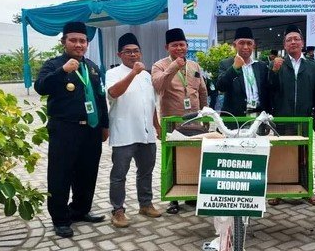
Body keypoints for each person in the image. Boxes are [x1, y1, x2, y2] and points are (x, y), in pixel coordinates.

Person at [34, 21, 108, 238]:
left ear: (87, 43)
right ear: (63, 42)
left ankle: (81, 209)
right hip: (64, 130)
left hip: (91, 130)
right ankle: (60, 218)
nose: (78, 44)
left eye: (82, 41)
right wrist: (62, 71)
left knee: (88, 171)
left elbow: (100, 97)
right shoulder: (53, 64)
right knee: (60, 174)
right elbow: (41, 87)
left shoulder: (92, 67)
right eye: (73, 40)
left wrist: (105, 125)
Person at [105, 33, 162, 228]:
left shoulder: (146, 75)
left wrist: (157, 126)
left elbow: (152, 104)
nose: (133, 55)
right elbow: (113, 93)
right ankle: (118, 211)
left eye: (136, 51)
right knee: (119, 174)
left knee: (146, 171)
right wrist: (133, 74)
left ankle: (145, 204)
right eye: (128, 52)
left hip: (146, 134)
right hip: (124, 133)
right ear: (119, 54)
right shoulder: (113, 73)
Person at [268, 24, 315, 206]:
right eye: (288, 40)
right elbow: (268, 91)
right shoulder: (276, 65)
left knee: (304, 155)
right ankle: (278, 190)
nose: (293, 42)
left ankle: (307, 190)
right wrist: (273, 72)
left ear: (303, 43)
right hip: (282, 118)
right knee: (282, 154)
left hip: (305, 119)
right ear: (284, 45)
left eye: (296, 39)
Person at [152, 28, 208, 214]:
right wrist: (174, 67)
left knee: (193, 158)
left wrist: (206, 114)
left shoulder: (194, 66)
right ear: (167, 47)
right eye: (174, 45)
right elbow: (159, 86)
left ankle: (191, 194)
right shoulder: (159, 66)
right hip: (173, 122)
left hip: (195, 121)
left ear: (186, 46)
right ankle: (173, 199)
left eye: (181, 44)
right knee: (172, 160)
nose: (179, 48)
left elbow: (202, 91)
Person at [216, 27, 270, 116]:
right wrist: (234, 68)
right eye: (241, 43)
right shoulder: (226, 64)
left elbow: (267, 92)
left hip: (258, 117)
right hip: (235, 118)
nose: (245, 47)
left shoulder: (261, 66)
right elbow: (221, 87)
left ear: (254, 45)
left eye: (249, 43)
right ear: (234, 45)